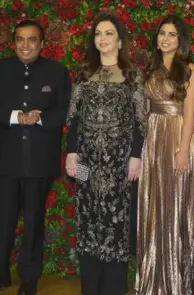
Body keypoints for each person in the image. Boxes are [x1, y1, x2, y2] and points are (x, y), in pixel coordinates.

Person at [0, 20, 71, 295]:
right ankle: (0, 273)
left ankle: (30, 277)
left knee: (34, 222)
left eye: (31, 39)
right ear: (14, 42)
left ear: (42, 43)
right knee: (3, 221)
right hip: (5, 162)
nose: (25, 45)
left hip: (39, 163)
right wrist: (16, 117)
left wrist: (39, 119)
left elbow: (65, 112)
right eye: (21, 39)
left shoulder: (57, 72)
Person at [64, 14, 145, 295]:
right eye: (98, 33)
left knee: (116, 224)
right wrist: (71, 153)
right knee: (87, 221)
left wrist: (136, 156)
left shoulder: (132, 75)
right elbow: (73, 118)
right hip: (86, 163)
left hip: (120, 164)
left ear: (120, 41)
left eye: (109, 33)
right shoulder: (84, 72)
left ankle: (112, 287)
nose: (103, 38)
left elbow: (140, 121)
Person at [135, 15, 194, 295]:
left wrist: (183, 150)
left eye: (172, 34)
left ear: (180, 40)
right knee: (154, 208)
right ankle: (152, 278)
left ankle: (175, 282)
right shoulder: (149, 69)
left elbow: (191, 112)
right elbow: (143, 111)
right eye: (162, 33)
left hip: (177, 137)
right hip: (153, 141)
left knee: (175, 207)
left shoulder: (189, 70)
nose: (166, 38)